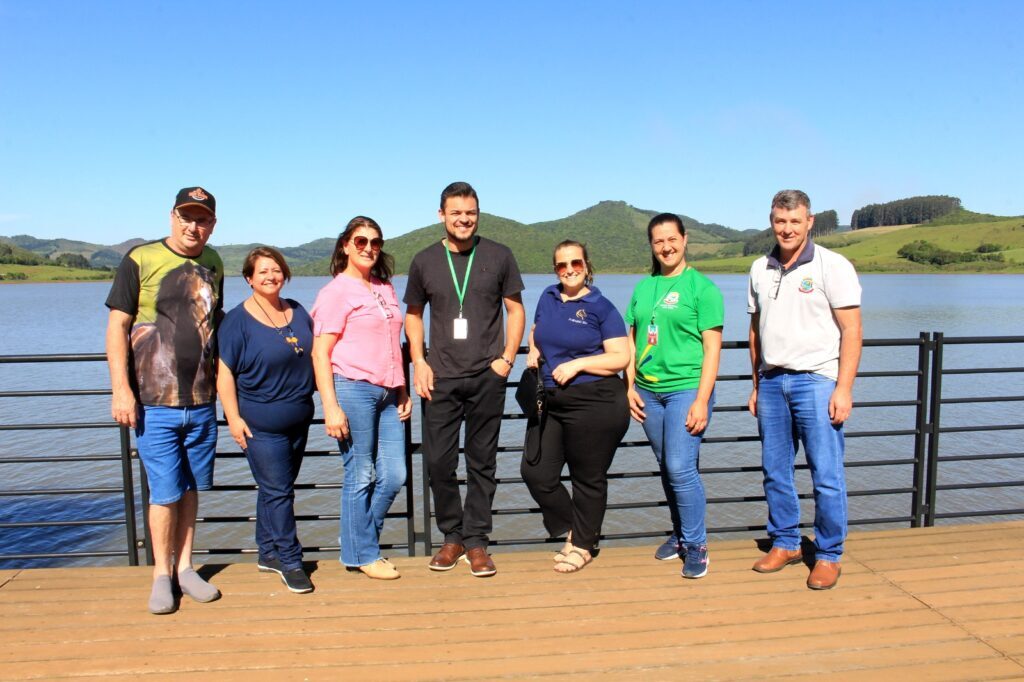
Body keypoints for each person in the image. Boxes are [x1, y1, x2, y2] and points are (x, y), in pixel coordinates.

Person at [105, 186, 223, 614]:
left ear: (213, 223)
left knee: (191, 488)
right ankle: (161, 573)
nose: (194, 226)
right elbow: (117, 326)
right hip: (154, 403)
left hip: (202, 401)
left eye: (203, 219)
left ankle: (186, 567)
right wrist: (121, 389)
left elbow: (216, 327)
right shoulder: (140, 259)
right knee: (164, 491)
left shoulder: (214, 263)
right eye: (187, 217)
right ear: (172, 216)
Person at [404, 181, 525, 577]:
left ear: (478, 214)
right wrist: (418, 362)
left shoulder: (499, 255)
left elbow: (515, 310)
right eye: (456, 212)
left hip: (486, 375)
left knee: (481, 463)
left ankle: (476, 542)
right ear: (441, 215)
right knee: (438, 462)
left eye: (470, 212)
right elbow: (414, 315)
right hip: (439, 377)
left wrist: (507, 358)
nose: (463, 219)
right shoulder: (424, 261)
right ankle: (450, 537)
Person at [747, 189, 862, 590]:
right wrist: (757, 384)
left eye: (795, 221)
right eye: (781, 221)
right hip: (773, 381)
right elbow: (755, 330)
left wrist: (843, 389)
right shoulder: (759, 268)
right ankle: (786, 542)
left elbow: (852, 331)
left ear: (809, 221)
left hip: (817, 380)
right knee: (775, 471)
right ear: (771, 220)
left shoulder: (834, 266)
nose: (787, 228)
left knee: (826, 474)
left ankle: (829, 554)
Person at [311, 217, 412, 580]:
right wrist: (330, 406)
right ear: (345, 246)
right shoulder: (335, 292)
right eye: (360, 241)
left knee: (395, 474)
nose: (368, 247)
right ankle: (364, 553)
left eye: (375, 241)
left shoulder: (385, 288)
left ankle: (356, 542)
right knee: (362, 473)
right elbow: (320, 353)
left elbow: (393, 345)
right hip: (353, 388)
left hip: (388, 393)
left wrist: (402, 388)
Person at [625, 213, 724, 579]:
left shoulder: (703, 288)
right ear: (651, 246)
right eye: (658, 241)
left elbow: (713, 350)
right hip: (649, 392)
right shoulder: (643, 288)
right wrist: (629, 385)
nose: (665, 246)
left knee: (681, 467)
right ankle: (681, 535)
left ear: (684, 240)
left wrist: (702, 399)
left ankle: (697, 545)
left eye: (672, 239)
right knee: (669, 466)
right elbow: (632, 339)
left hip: (686, 388)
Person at [523, 241, 630, 573]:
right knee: (536, 472)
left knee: (588, 478)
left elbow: (621, 357)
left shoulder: (601, 306)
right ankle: (580, 529)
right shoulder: (548, 297)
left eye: (575, 263)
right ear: (554, 268)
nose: (569, 269)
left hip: (595, 400)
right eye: (561, 265)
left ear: (587, 265)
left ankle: (582, 544)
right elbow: (537, 331)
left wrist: (579, 364)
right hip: (552, 400)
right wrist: (533, 351)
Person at [217, 247, 314, 593]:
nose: (271, 276)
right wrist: (232, 418)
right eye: (262, 272)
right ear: (249, 279)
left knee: (273, 490)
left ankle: (267, 551)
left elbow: (315, 354)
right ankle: (290, 560)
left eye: (276, 270)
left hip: (299, 418)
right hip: (260, 423)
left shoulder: (298, 311)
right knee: (279, 492)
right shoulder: (236, 321)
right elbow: (224, 373)